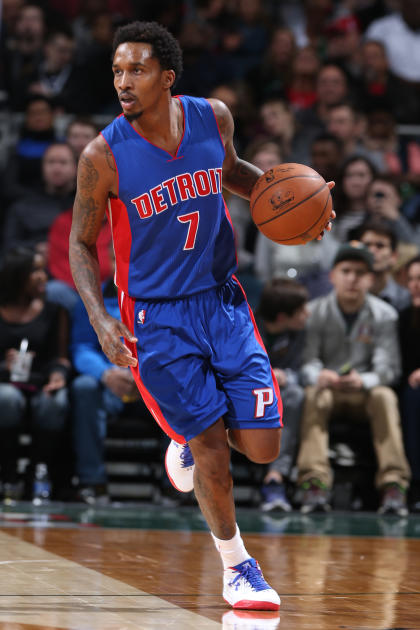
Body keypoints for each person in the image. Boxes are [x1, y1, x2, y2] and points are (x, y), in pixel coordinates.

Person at [69, 20, 334, 610]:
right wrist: (100, 316)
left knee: (264, 447)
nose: (123, 81)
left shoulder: (213, 117)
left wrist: (287, 197)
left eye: (135, 70)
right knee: (213, 443)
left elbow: (231, 170)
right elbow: (80, 244)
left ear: (167, 77)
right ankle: (237, 565)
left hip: (221, 300)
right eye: (116, 71)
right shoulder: (101, 155)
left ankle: (187, 445)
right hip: (155, 317)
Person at [296, 242, 410, 516]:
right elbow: (306, 362)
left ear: (371, 279)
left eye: (360, 272)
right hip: (329, 389)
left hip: (363, 392)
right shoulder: (314, 312)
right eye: (345, 271)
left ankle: (393, 484)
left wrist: (365, 380)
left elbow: (389, 368)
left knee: (385, 395)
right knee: (313, 394)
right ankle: (315, 482)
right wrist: (319, 374)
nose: (352, 278)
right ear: (332, 275)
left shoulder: (385, 315)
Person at [70, 247, 157, 505]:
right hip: (110, 387)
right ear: (108, 260)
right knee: (84, 387)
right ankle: (92, 482)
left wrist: (143, 375)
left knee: (184, 385)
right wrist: (106, 374)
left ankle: (175, 487)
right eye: (116, 257)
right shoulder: (91, 300)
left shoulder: (160, 298)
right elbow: (81, 348)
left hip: (151, 388)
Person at [0, 246, 71, 502]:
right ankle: (8, 473)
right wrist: (4, 365)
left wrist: (58, 374)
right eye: (35, 271)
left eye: (43, 269)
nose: (43, 276)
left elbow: (60, 356)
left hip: (41, 381)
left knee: (55, 401)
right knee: (6, 399)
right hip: (6, 382)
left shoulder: (54, 311)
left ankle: (37, 471)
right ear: (16, 275)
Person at [257, 278, 309, 513]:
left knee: (295, 395)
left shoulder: (300, 333)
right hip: (244, 392)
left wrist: (287, 375)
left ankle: (276, 478)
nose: (307, 314)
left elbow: (304, 370)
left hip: (280, 395)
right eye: (301, 311)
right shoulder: (245, 326)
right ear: (281, 318)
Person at [398, 255, 420, 512]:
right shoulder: (402, 317)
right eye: (412, 279)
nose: (415, 285)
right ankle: (415, 483)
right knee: (412, 395)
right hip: (410, 388)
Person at [358, 219, 411, 312]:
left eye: (380, 246)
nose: (372, 251)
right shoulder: (347, 294)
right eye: (366, 245)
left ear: (394, 257)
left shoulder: (406, 300)